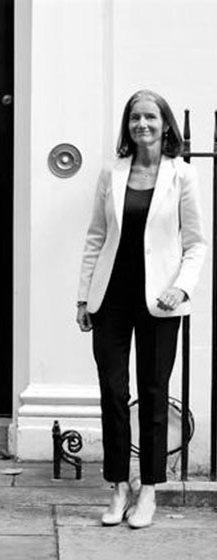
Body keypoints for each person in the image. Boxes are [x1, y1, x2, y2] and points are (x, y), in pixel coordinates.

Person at [76, 90, 207, 529]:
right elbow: (96, 237)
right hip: (110, 298)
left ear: (166, 124)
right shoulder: (111, 173)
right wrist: (83, 297)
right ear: (127, 126)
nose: (142, 125)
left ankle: (148, 489)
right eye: (134, 118)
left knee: (153, 393)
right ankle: (118, 487)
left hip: (159, 302)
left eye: (150, 117)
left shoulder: (182, 176)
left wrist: (181, 289)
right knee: (112, 391)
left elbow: (196, 244)